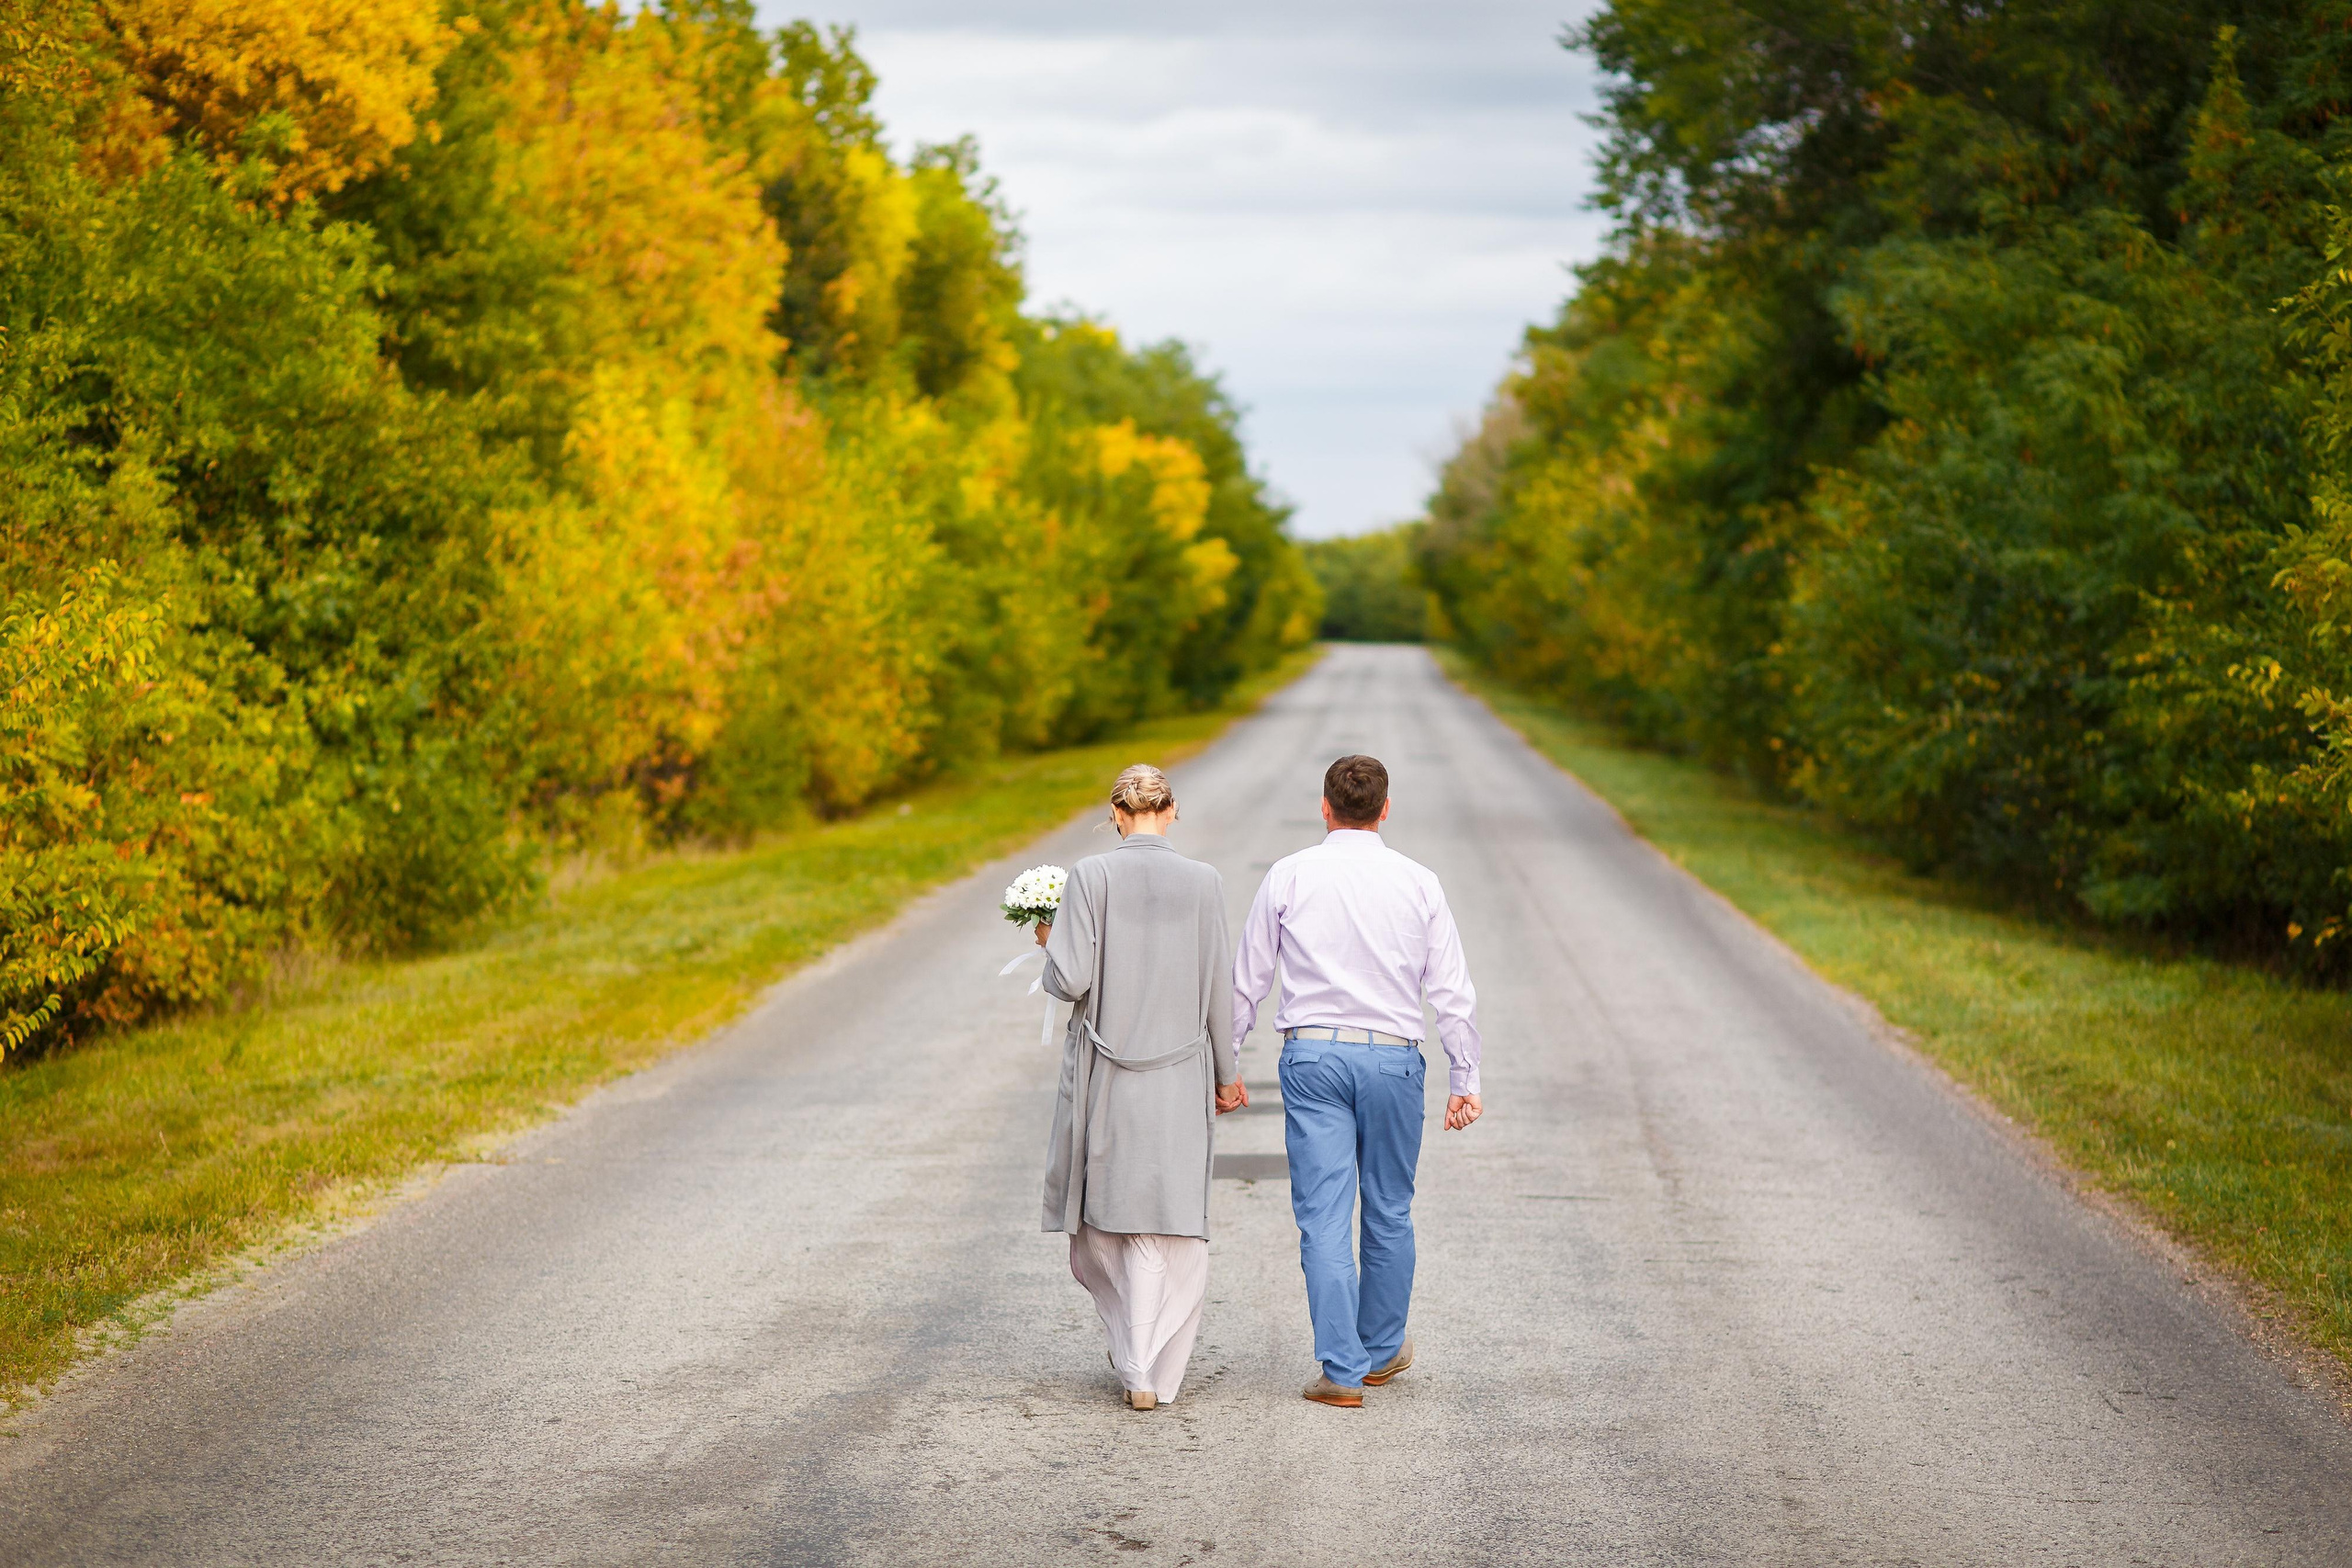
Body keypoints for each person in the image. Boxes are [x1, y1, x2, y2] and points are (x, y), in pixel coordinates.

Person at [1229, 753, 1484, 1408]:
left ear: (1324, 806)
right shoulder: (1419, 882)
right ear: (1385, 808)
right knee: (1390, 1208)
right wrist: (1465, 1073)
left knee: (1322, 1216)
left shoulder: (1288, 874)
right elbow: (1450, 989)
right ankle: (1381, 1348)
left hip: (1313, 1058)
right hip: (1394, 1058)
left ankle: (1341, 1370)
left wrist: (1225, 1061)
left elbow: (1248, 978)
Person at [1035, 763, 1247, 1411]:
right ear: (1171, 811)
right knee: (1159, 1219)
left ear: (1117, 815)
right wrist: (1228, 1073)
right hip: (1181, 1072)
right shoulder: (1206, 882)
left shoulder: (1092, 876)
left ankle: (1135, 1357)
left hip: (1110, 1072)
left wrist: (1049, 941)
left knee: (1106, 1223)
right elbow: (1219, 986)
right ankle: (1144, 1359)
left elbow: (1067, 980)